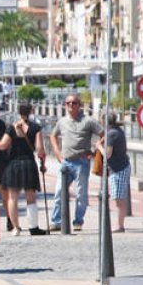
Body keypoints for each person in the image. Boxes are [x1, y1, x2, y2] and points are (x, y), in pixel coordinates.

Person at [48, 93, 103, 231]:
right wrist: (57, 153)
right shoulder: (62, 121)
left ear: (79, 105)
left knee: (80, 194)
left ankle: (78, 221)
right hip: (66, 162)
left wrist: (96, 149)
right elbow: (53, 136)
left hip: (81, 162)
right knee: (59, 192)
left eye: (74, 103)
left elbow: (104, 134)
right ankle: (56, 221)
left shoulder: (88, 121)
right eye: (68, 103)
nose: (71, 105)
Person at [1, 103, 46, 236]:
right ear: (31, 111)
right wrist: (43, 162)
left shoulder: (11, 128)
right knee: (30, 197)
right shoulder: (35, 128)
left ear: (19, 112)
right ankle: (33, 227)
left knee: (12, 197)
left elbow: (3, 145)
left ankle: (16, 228)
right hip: (28, 163)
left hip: (13, 164)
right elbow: (39, 149)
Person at [101, 114, 130, 233]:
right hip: (122, 166)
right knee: (119, 197)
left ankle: (120, 225)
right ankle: (120, 224)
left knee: (118, 198)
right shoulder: (118, 131)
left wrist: (99, 147)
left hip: (118, 168)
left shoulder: (111, 134)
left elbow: (107, 154)